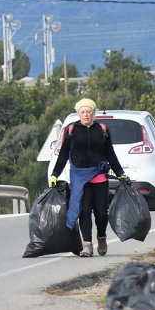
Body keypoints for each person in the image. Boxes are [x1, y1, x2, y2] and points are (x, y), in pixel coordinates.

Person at [49, 98, 130, 257]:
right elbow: (64, 154)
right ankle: (87, 245)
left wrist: (120, 172)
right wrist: (54, 174)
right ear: (78, 113)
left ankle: (101, 237)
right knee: (84, 211)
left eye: (89, 111)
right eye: (82, 111)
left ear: (94, 113)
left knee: (101, 213)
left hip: (99, 176)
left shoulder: (102, 129)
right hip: (80, 178)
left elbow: (110, 154)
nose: (86, 114)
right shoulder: (71, 130)